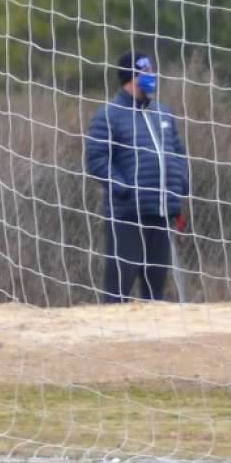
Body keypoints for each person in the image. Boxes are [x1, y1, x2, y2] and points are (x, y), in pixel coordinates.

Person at [85, 48, 190, 303]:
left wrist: (181, 184)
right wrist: (122, 187)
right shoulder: (108, 115)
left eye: (152, 71)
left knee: (155, 293)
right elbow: (96, 159)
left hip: (162, 212)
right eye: (146, 72)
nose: (152, 76)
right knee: (118, 289)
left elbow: (178, 152)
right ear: (131, 77)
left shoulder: (164, 113)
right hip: (127, 215)